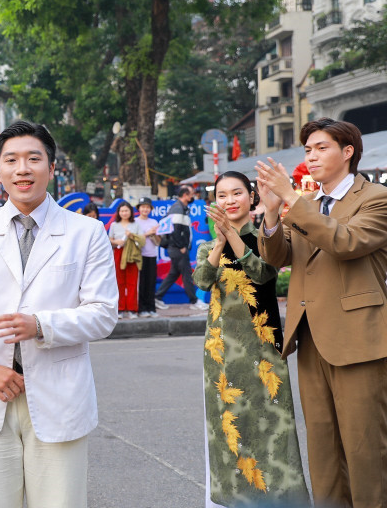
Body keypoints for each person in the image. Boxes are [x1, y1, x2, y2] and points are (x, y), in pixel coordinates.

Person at [0, 120, 119, 508]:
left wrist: (41, 325)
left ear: (52, 168)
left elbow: (103, 314)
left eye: (34, 158)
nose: (23, 169)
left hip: (59, 395)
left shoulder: (86, 233)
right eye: (12, 160)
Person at [256, 118, 387, 508]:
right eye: (308, 150)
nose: (311, 156)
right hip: (310, 335)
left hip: (359, 338)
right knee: (324, 449)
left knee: (365, 450)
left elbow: (345, 242)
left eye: (321, 148)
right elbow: (277, 256)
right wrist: (271, 212)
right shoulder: (308, 203)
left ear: (348, 152)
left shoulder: (376, 198)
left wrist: (293, 201)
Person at [192, 172, 308, 506]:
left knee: (272, 426)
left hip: (263, 351)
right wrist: (219, 242)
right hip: (221, 353)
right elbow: (201, 280)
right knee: (230, 428)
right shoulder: (205, 245)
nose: (229, 200)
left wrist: (235, 239)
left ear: (252, 197)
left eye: (236, 193)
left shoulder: (268, 237)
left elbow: (263, 274)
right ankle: (232, 499)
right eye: (222, 195)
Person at [155, 186, 207, 311]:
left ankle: (157, 297)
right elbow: (175, 230)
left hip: (175, 248)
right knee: (187, 274)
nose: (193, 196)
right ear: (185, 195)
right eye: (191, 194)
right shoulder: (178, 208)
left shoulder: (181, 208)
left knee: (173, 274)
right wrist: (181, 246)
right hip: (178, 249)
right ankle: (194, 301)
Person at [107, 200, 144, 319]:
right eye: (122, 211)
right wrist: (116, 241)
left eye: (126, 210)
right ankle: (121, 308)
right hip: (118, 253)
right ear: (118, 212)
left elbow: (141, 240)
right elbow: (109, 239)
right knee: (119, 282)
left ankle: (132, 309)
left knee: (132, 282)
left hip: (132, 254)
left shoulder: (136, 224)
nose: (124, 213)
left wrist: (132, 236)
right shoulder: (114, 225)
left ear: (131, 212)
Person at [136, 198, 160, 318]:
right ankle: (141, 308)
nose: (145, 209)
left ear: (150, 209)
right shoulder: (135, 222)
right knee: (141, 283)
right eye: (143, 207)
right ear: (139, 208)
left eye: (147, 207)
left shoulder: (154, 222)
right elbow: (133, 239)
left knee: (151, 283)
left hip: (152, 255)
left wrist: (155, 233)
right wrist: (146, 233)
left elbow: (158, 242)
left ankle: (151, 308)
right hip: (139, 256)